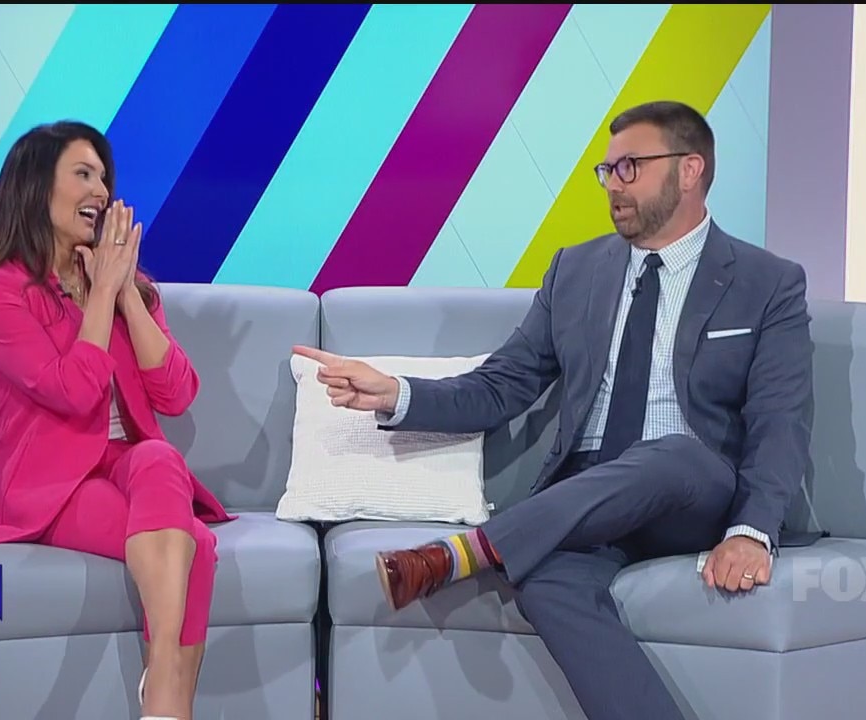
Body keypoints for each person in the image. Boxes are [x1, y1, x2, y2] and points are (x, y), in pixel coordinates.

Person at [294, 100, 814, 720]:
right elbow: (503, 386)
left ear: (689, 170)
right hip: (587, 497)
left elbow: (780, 421)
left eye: (630, 167)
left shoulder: (766, 282)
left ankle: (464, 553)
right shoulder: (576, 269)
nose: (613, 185)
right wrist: (398, 394)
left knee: (671, 454)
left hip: (691, 491)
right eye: (607, 170)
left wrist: (752, 531)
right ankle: (495, 551)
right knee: (546, 580)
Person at [0, 120, 233, 720]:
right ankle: (169, 700)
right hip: (51, 487)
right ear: (37, 187)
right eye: (83, 174)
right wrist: (103, 293)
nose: (101, 192)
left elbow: (176, 393)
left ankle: (161, 688)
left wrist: (127, 292)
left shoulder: (125, 285)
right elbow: (74, 391)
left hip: (128, 464)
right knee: (197, 545)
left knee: (159, 455)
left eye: (104, 178)